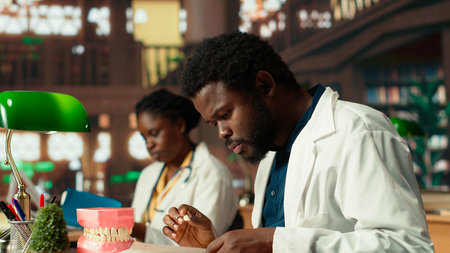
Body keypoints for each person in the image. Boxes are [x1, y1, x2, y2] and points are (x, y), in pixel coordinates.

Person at [161, 31, 434, 252]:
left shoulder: (358, 131)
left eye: (225, 114)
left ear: (264, 85)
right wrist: (214, 245)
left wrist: (273, 241)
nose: (222, 132)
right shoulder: (270, 155)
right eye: (214, 123)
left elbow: (409, 246)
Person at [130, 88, 238, 245]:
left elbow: (203, 244)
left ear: (180, 125)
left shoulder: (213, 174)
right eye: (144, 136)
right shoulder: (149, 173)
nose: (149, 144)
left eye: (154, 133)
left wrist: (139, 230)